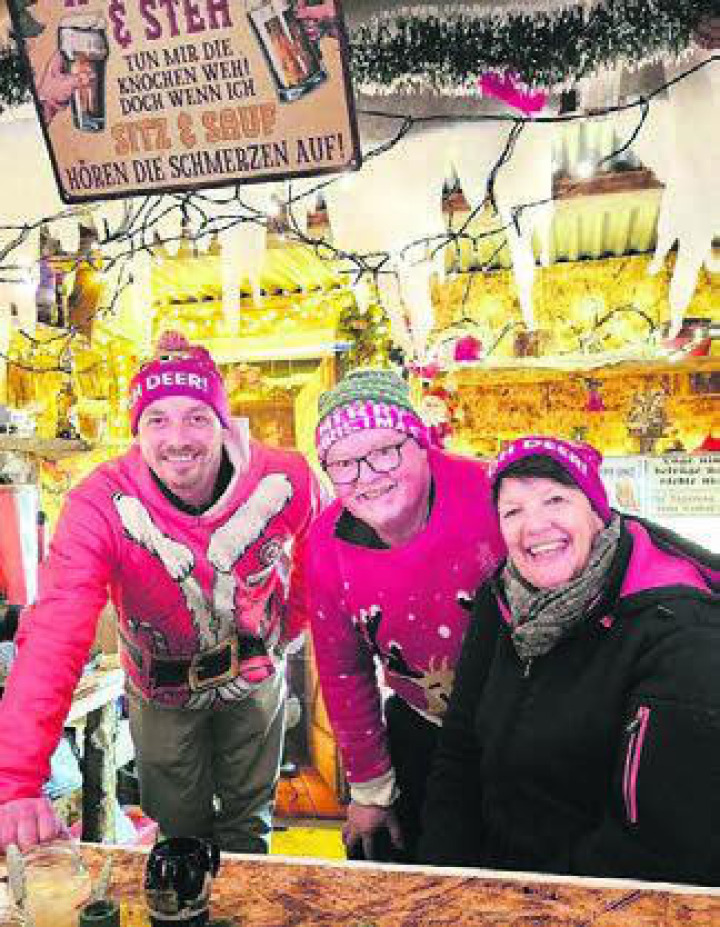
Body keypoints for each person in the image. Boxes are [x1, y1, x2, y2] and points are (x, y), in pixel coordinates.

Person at [0, 332, 322, 853]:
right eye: (157, 419)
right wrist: (15, 779)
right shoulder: (99, 503)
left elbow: (321, 550)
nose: (178, 438)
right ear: (137, 430)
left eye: (196, 416)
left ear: (221, 422)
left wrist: (293, 624)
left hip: (254, 675)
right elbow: (57, 625)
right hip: (161, 688)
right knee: (179, 837)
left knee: (249, 831)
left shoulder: (287, 477)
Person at [420, 435, 720, 885]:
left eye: (555, 499)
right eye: (513, 511)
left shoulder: (678, 631)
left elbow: (657, 848)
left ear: (596, 511)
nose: (534, 526)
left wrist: (527, 908)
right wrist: (439, 885)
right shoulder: (502, 598)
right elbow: (460, 751)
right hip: (496, 886)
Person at [305, 368, 504, 862]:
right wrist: (371, 788)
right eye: (344, 464)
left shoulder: (488, 492)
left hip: (522, 720)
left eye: (385, 451)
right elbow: (342, 667)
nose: (368, 477)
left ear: (421, 444)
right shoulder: (325, 543)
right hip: (424, 721)